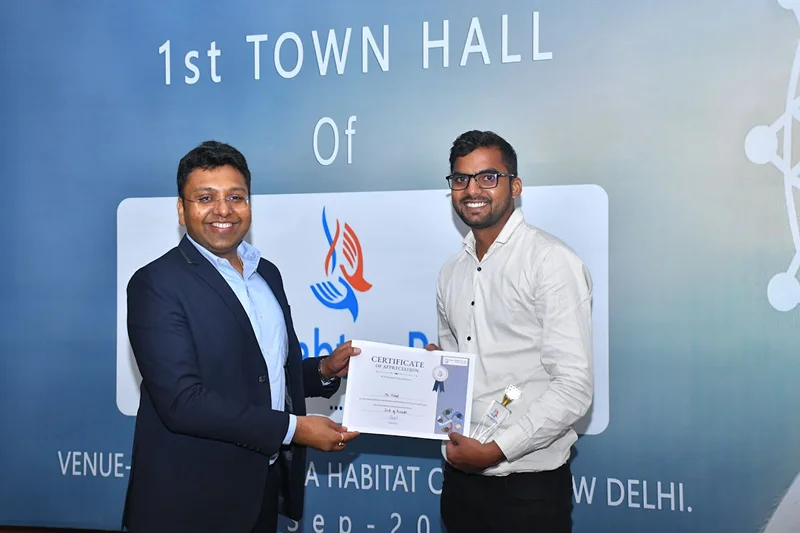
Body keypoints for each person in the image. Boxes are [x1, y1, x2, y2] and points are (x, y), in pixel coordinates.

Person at [122, 140, 360, 533]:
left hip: (258, 490)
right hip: (188, 503)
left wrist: (322, 370)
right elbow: (182, 402)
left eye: (236, 197)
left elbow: (261, 375)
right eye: (205, 198)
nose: (223, 210)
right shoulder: (156, 283)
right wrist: (295, 429)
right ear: (181, 209)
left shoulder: (266, 274)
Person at [426, 130, 594, 532]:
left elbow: (574, 387)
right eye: (461, 179)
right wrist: (435, 371)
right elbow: (456, 374)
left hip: (527, 490)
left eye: (488, 177)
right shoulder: (451, 271)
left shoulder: (550, 261)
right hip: (460, 482)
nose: (472, 190)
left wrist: (497, 450)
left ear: (514, 186)